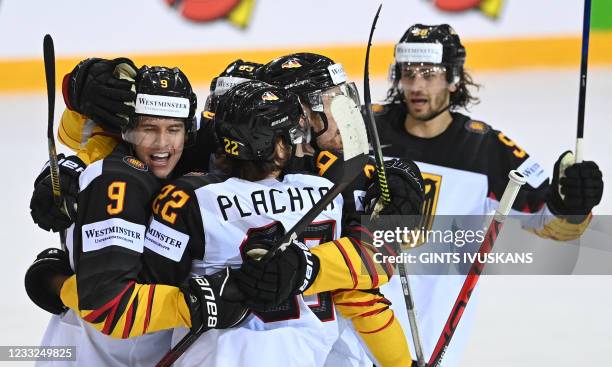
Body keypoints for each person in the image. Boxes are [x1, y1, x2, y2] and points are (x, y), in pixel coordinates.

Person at [373, 23, 604, 366]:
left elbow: (550, 223)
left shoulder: (486, 149)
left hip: (431, 329)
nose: (416, 85)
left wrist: (571, 203)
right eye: (408, 73)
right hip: (357, 316)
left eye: (429, 73)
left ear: (452, 77)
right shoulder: (365, 129)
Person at [25, 65, 247, 366]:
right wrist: (192, 305)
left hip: (142, 348)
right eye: (148, 129)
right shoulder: (118, 180)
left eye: (173, 129)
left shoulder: (197, 163)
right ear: (127, 129)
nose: (162, 144)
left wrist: (54, 281)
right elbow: (104, 301)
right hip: (89, 354)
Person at [141, 80, 344, 366]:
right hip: (305, 356)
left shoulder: (188, 197)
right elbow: (374, 265)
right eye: (292, 137)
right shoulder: (328, 193)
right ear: (280, 148)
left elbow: (143, 289)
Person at [256, 52, 424, 367]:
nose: (348, 116)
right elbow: (361, 287)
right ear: (299, 116)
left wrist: (402, 172)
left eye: (344, 99)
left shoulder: (335, 168)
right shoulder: (322, 184)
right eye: (332, 103)